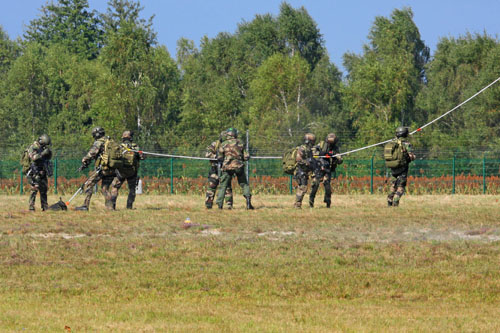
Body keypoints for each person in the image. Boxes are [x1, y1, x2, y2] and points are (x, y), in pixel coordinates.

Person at [75, 127, 116, 211]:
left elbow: (91, 154)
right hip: (112, 169)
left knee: (88, 184)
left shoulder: (99, 142)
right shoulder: (110, 141)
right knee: (105, 188)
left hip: (102, 169)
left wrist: (84, 160)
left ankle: (85, 206)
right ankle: (110, 207)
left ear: (96, 134)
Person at [215, 128, 253, 210]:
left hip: (227, 167)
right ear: (235, 134)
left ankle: (219, 205)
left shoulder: (223, 144)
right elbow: (246, 157)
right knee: (244, 184)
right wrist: (240, 159)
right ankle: (248, 202)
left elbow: (220, 157)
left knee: (223, 186)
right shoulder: (240, 143)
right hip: (239, 166)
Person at [109, 130, 145, 209]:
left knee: (115, 188)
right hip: (132, 172)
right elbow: (142, 157)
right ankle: (129, 206)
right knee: (132, 189)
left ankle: (112, 206)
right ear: (131, 138)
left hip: (120, 172)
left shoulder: (119, 147)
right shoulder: (135, 147)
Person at [310, 133, 343, 208]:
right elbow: (313, 152)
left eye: (332, 142)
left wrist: (337, 158)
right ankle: (311, 201)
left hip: (327, 168)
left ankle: (328, 202)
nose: (330, 144)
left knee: (327, 185)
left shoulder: (335, 148)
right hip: (318, 167)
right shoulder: (321, 144)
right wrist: (322, 153)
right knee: (315, 184)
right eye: (329, 142)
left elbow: (340, 161)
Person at [386, 126, 416, 207]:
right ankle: (395, 203)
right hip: (402, 168)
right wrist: (413, 157)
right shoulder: (406, 144)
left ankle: (389, 202)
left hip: (393, 167)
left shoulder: (392, 143)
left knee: (393, 185)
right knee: (400, 187)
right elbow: (411, 156)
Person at [205, 131, 233, 209]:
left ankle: (228, 205)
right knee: (212, 186)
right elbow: (207, 153)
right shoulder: (215, 144)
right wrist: (216, 156)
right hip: (215, 168)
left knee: (227, 187)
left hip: (225, 169)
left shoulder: (230, 145)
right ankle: (208, 204)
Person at [26, 134, 53, 211]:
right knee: (34, 189)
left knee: (44, 189)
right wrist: (42, 154)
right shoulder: (33, 147)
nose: (46, 146)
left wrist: (48, 153)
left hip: (42, 170)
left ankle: (44, 206)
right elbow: (34, 158)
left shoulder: (43, 148)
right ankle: (31, 207)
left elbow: (48, 157)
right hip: (35, 171)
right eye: (45, 144)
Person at [294, 133, 316, 208]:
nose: (313, 143)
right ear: (308, 141)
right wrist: (307, 162)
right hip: (300, 171)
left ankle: (298, 204)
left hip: (306, 171)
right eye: (312, 141)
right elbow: (298, 159)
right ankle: (297, 205)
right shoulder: (302, 148)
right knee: (302, 187)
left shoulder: (309, 149)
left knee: (304, 187)